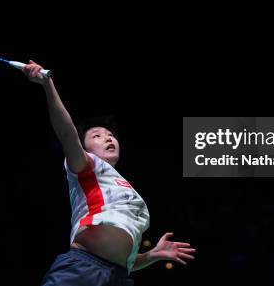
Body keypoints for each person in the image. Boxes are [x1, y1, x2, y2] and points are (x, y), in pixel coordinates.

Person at [22, 60, 196, 286]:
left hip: (117, 276)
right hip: (83, 267)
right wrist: (48, 85)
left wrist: (151, 255)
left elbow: (124, 259)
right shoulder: (86, 166)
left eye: (110, 135)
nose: (107, 138)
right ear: (84, 148)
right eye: (96, 135)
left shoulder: (128, 191)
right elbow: (67, 133)